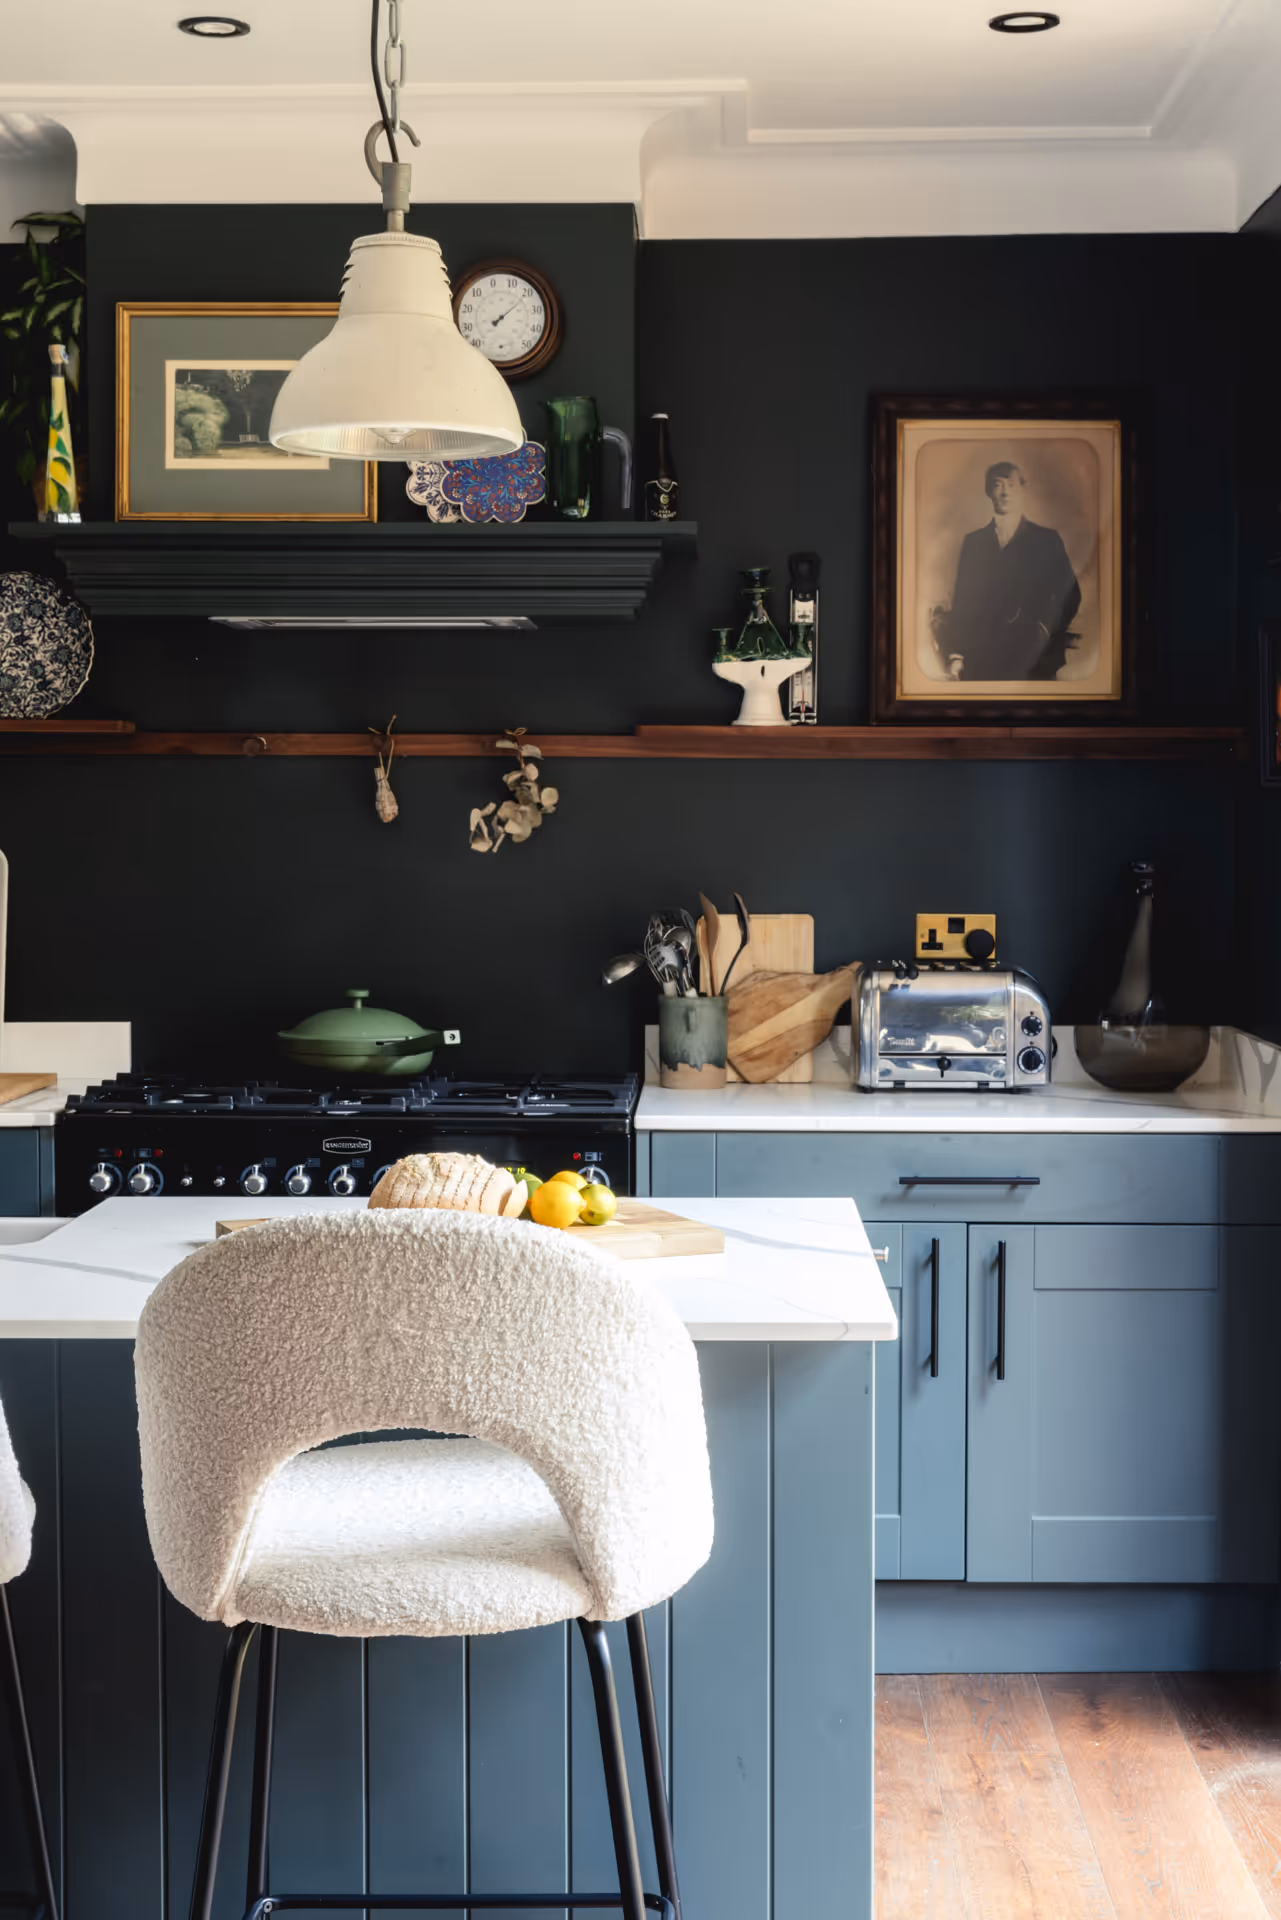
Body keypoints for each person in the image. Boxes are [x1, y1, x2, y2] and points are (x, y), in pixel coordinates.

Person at [939, 461, 1081, 681]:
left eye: (1012, 485)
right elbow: (962, 601)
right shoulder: (974, 542)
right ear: (988, 491)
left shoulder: (1046, 540)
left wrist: (1044, 630)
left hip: (1034, 659)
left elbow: (1072, 596)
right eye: (997, 485)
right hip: (983, 658)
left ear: (1023, 490)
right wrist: (957, 653)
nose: (1005, 493)